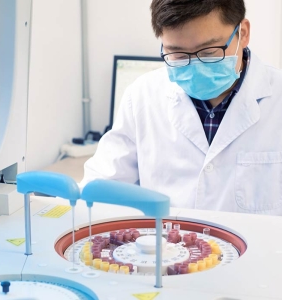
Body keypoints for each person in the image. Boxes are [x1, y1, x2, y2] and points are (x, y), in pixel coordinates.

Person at [81, 0, 282, 215]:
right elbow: (100, 188)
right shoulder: (141, 97)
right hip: (168, 245)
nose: (194, 65)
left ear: (243, 33)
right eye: (177, 54)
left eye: (208, 52)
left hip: (261, 248)